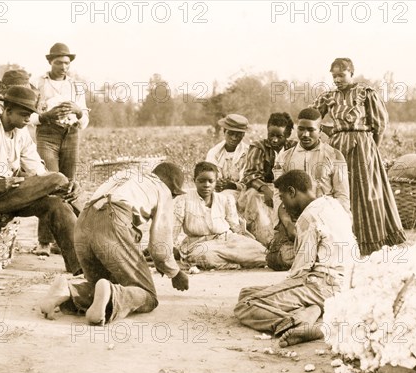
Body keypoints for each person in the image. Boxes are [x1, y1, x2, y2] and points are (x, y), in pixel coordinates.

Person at [0, 86, 81, 275]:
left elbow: (38, 170)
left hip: (10, 194)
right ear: (7, 111)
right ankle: (94, 221)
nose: (28, 119)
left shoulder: (21, 134)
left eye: (30, 114)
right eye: (23, 114)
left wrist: (60, 185)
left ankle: (80, 268)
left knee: (56, 204)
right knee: (59, 178)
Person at [38, 162, 190, 326]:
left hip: (83, 222)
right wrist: (174, 272)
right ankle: (111, 294)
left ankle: (67, 290)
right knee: (147, 295)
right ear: (170, 185)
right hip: (112, 221)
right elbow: (161, 245)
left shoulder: (128, 174)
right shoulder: (163, 189)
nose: (173, 197)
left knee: (98, 287)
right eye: (175, 194)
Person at [234, 170, 357, 347]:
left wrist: (285, 220)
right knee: (247, 292)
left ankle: (302, 324)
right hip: (344, 283)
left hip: (321, 285)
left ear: (292, 192)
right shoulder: (334, 204)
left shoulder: (308, 217)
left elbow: (300, 272)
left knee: (246, 304)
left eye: (282, 198)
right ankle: (313, 310)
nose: (283, 204)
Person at [311, 57, 406, 256]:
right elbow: (312, 117)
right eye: (334, 76)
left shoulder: (365, 93)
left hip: (363, 146)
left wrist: (372, 149)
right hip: (337, 148)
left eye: (341, 75)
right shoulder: (329, 96)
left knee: (366, 191)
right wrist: (329, 131)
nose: (337, 79)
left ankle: (370, 241)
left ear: (351, 73)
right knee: (340, 189)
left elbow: (379, 124)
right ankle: (343, 239)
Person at [267, 108, 350, 271]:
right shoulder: (284, 158)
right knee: (278, 259)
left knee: (327, 254)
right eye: (301, 129)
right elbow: (278, 195)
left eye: (311, 130)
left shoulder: (335, 156)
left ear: (320, 130)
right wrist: (288, 224)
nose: (305, 135)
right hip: (293, 219)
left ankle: (317, 253)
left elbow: (342, 195)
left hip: (324, 218)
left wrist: (340, 223)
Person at [32, 43, 90, 256]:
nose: (63, 67)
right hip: (47, 135)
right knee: (49, 184)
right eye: (59, 63)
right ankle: (44, 242)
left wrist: (79, 112)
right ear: (50, 62)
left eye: (67, 63)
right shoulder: (38, 83)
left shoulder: (77, 86)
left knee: (68, 187)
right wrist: (45, 116)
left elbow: (85, 118)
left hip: (71, 135)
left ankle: (65, 240)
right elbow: (28, 115)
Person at [173, 162, 267, 270]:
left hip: (226, 239)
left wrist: (243, 238)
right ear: (194, 180)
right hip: (200, 244)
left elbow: (234, 226)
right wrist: (169, 249)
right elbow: (173, 230)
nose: (206, 185)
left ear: (215, 182)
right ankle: (236, 264)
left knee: (260, 251)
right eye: (201, 181)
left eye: (210, 181)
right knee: (202, 255)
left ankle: (236, 260)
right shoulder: (183, 200)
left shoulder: (225, 199)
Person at [238, 112, 296, 245]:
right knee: (254, 198)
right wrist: (265, 189)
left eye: (279, 136)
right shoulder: (259, 147)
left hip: (286, 189)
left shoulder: (293, 148)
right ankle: (265, 239)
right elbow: (250, 174)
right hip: (261, 188)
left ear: (287, 135)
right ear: (267, 132)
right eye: (271, 135)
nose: (274, 140)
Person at [205, 114, 251, 197]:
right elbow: (210, 175)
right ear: (224, 132)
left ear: (243, 135)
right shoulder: (214, 153)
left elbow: (248, 180)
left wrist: (233, 185)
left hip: (241, 193)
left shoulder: (249, 153)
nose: (234, 138)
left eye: (238, 134)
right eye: (230, 133)